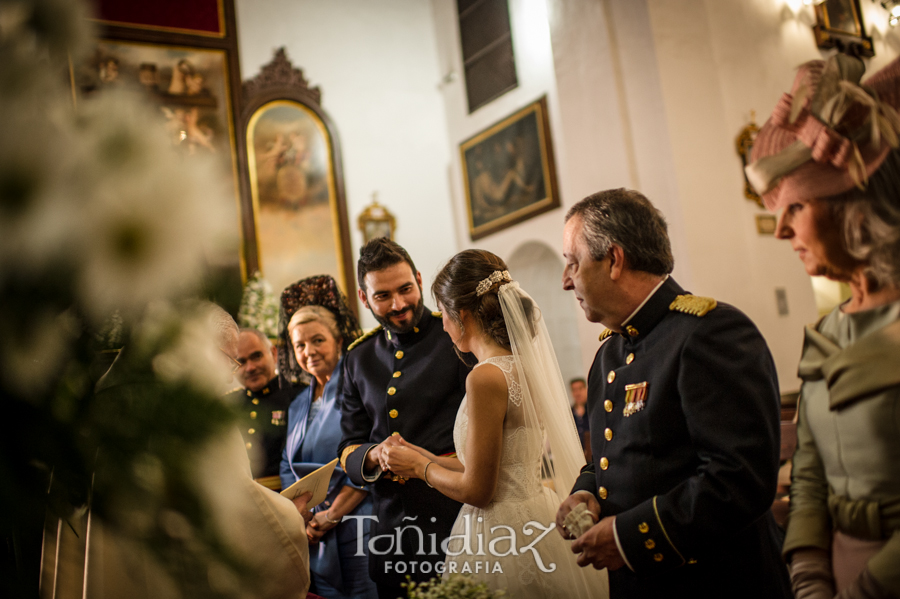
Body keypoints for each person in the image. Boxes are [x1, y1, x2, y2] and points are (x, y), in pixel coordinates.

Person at [556, 189, 791, 599]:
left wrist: (630, 536)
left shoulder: (709, 332)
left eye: (573, 263)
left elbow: (739, 480)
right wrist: (587, 491)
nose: (565, 280)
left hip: (717, 582)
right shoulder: (610, 353)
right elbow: (614, 460)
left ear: (614, 260)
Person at [746, 53, 900, 599]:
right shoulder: (834, 327)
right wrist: (809, 576)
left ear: (850, 203)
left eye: (797, 206)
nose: (781, 228)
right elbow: (808, 469)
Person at [40, 302, 313, 599]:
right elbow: (239, 515)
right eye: (231, 362)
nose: (229, 377)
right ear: (202, 348)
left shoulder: (104, 393)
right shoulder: (193, 410)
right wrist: (290, 519)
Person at [382, 250, 609, 598]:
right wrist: (420, 454)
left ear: (462, 315)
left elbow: (478, 490)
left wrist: (420, 467)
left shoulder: (485, 377)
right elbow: (492, 464)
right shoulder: (524, 367)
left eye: (442, 314)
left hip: (501, 532)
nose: (442, 325)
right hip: (537, 513)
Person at [337, 238, 469, 599]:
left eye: (406, 289)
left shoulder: (455, 337)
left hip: (454, 521)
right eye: (382, 296)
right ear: (364, 298)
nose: (398, 304)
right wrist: (374, 455)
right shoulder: (358, 359)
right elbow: (348, 445)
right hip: (391, 538)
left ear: (419, 279)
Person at [278, 275, 378, 599]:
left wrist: (332, 514)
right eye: (300, 345)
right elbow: (286, 463)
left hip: (357, 524)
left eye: (318, 340)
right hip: (314, 532)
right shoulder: (296, 405)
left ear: (338, 340)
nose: (309, 352)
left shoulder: (360, 390)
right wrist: (301, 515)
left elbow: (370, 455)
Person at [226, 327, 295, 490]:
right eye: (241, 362)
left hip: (287, 495)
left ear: (274, 353)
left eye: (256, 356)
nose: (250, 368)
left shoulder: (299, 396)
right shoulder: (228, 405)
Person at [570, 377, 590, 458]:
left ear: (586, 389)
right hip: (576, 456)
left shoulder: (593, 410)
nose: (577, 393)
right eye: (574, 390)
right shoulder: (570, 413)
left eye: (580, 388)